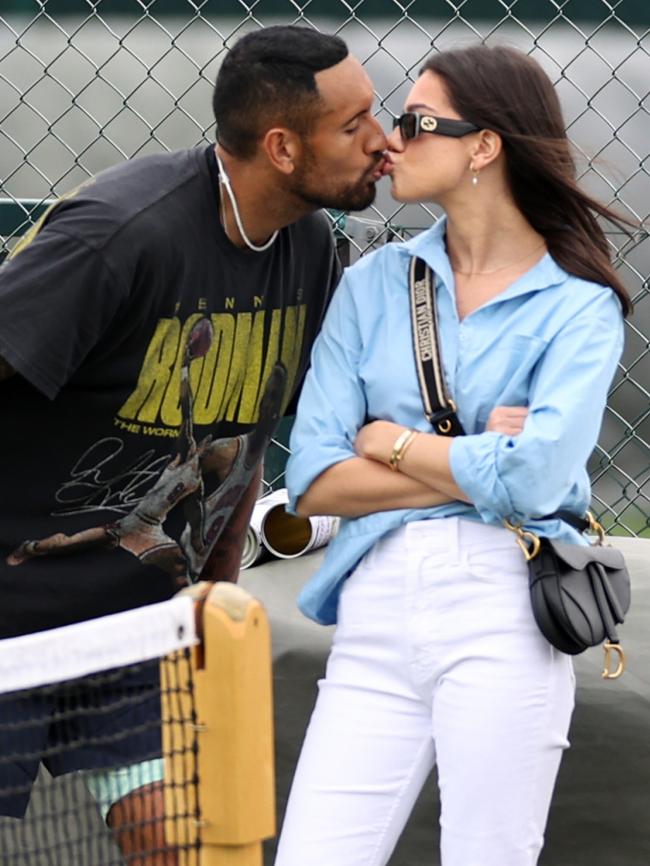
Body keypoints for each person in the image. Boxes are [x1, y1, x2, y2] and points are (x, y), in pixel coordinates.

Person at [0, 24, 387, 864]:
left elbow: (238, 441)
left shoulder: (310, 246)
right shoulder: (117, 235)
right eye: (355, 124)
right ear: (282, 146)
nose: (383, 141)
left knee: (188, 848)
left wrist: (211, 596)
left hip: (135, 628)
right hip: (9, 619)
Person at [274, 43, 632, 866]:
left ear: (484, 145)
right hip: (374, 612)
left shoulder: (579, 304)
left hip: (505, 607)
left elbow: (540, 476)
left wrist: (395, 445)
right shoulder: (371, 284)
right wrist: (482, 462)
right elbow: (314, 480)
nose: (391, 140)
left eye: (416, 122)